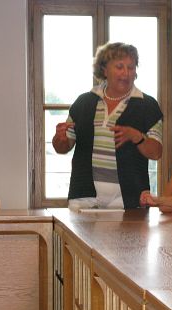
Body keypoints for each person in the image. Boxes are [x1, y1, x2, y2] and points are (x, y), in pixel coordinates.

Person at [52, 42, 163, 210]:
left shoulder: (148, 105)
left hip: (128, 198)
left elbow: (156, 153)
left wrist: (137, 137)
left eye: (131, 67)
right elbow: (63, 147)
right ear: (104, 70)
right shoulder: (83, 102)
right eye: (119, 67)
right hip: (84, 196)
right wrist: (59, 139)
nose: (126, 73)